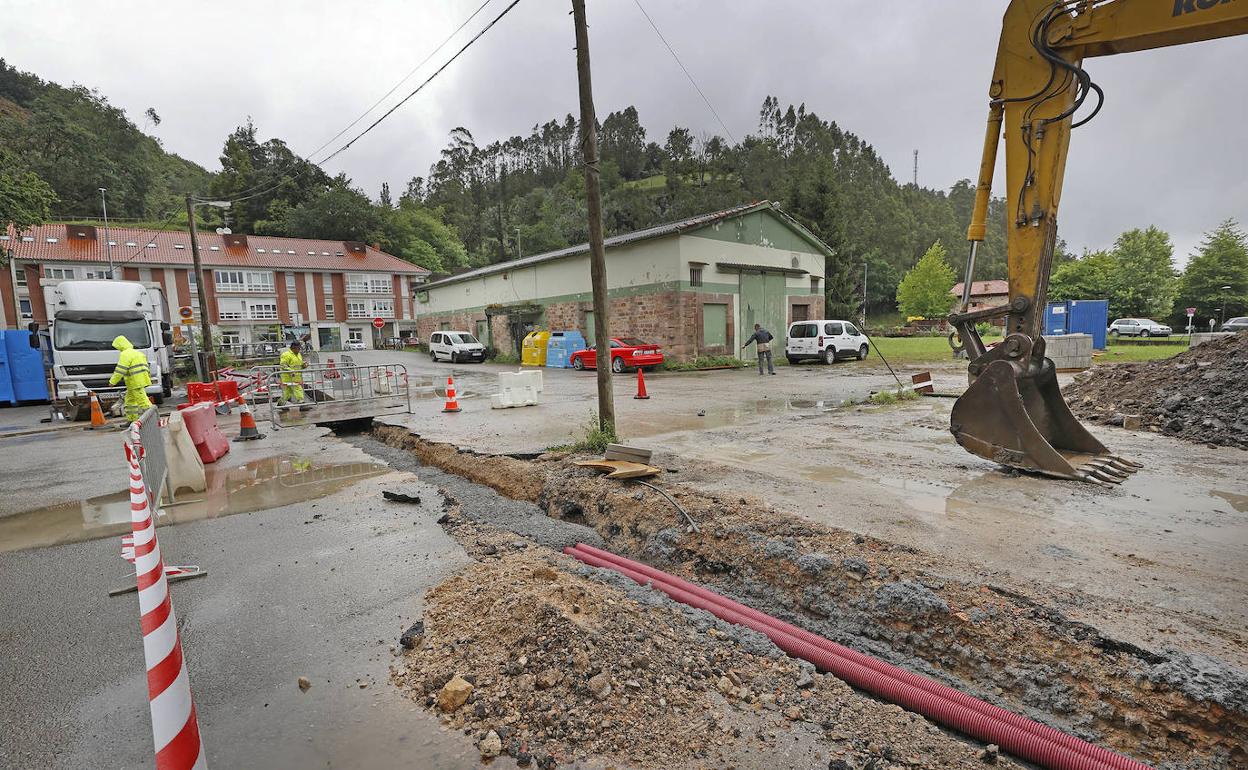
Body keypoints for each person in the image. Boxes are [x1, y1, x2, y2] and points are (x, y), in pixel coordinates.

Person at [108, 335, 153, 422]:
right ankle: (132, 420)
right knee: (129, 402)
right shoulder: (138, 353)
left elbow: (120, 369)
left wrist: (112, 382)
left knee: (143, 401)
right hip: (137, 381)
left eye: (117, 347)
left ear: (120, 345)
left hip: (135, 382)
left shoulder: (125, 354)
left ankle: (152, 419)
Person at [279, 340, 310, 411]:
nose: (299, 350)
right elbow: (283, 365)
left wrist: (304, 365)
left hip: (297, 376)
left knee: (287, 393)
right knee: (298, 389)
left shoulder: (298, 354)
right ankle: (302, 404)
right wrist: (291, 371)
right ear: (293, 348)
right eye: (298, 348)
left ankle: (280, 404)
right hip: (288, 377)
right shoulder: (286, 355)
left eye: (299, 348)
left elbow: (299, 364)